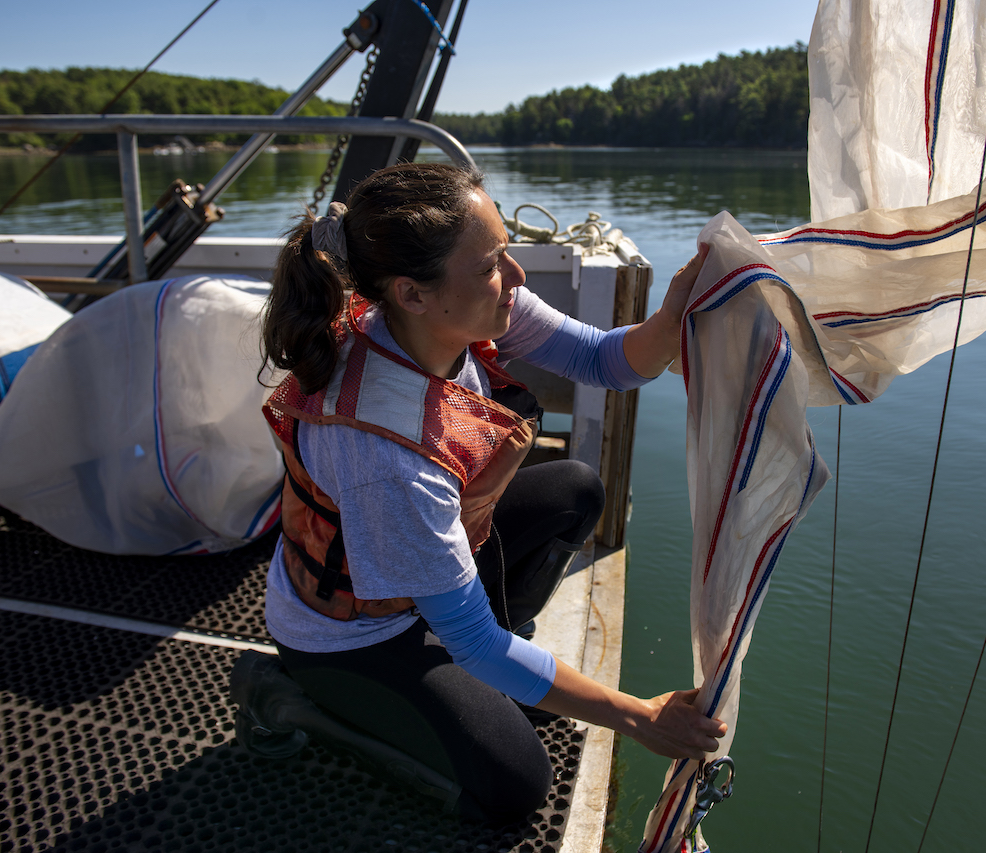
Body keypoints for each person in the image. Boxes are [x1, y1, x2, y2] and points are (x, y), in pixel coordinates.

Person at [258, 162, 723, 824]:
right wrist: (638, 714)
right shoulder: (385, 451)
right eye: (491, 265)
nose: (516, 278)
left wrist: (673, 313)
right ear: (411, 293)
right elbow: (474, 642)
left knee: (576, 490)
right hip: (353, 632)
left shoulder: (462, 305)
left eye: (506, 253)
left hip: (417, 573)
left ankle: (498, 676)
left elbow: (603, 360)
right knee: (515, 787)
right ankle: (301, 702)